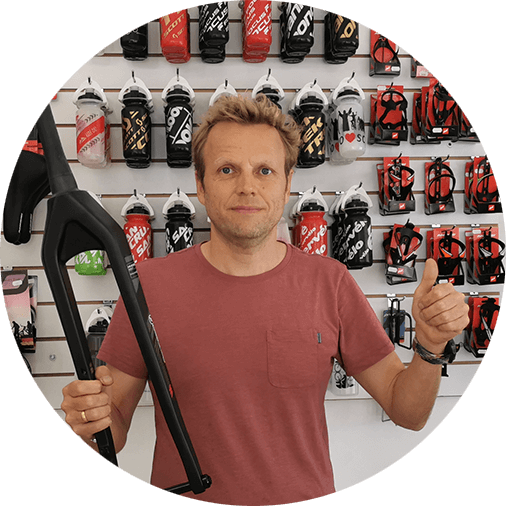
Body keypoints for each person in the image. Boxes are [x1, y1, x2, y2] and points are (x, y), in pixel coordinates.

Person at [61, 95, 469, 505]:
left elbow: (407, 411)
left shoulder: (330, 282)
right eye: (226, 169)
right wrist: (89, 418)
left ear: (287, 183)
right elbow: (111, 427)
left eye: (265, 170)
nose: (247, 186)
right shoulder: (147, 287)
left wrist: (431, 346)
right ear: (200, 186)